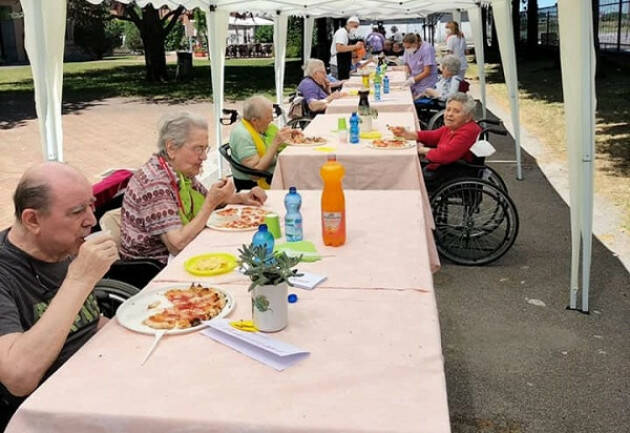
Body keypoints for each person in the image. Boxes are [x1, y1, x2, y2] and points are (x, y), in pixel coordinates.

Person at [0, 162, 119, 428]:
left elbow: (88, 321)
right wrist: (80, 278)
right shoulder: (6, 273)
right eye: (77, 211)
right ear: (32, 220)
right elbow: (19, 378)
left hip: (103, 377)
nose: (92, 219)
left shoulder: (61, 247)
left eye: (90, 204)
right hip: (48, 414)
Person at [120, 112, 268, 264]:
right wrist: (211, 202)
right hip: (154, 269)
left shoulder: (179, 171)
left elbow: (207, 200)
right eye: (198, 149)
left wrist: (242, 198)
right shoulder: (155, 183)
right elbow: (177, 244)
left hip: (184, 253)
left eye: (205, 149)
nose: (204, 156)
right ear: (171, 148)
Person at [390, 93, 481, 185]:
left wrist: (424, 150)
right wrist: (407, 134)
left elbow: (445, 155)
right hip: (445, 167)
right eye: (448, 109)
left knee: (403, 172)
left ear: (468, 117)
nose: (449, 114)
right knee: (402, 166)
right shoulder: (453, 126)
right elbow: (432, 136)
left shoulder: (468, 131)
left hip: (453, 172)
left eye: (456, 111)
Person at [229, 96, 294, 190]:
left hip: (274, 172)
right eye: (269, 117)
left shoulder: (261, 128)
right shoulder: (242, 135)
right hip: (254, 185)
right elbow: (255, 173)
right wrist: (275, 143)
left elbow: (278, 141)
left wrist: (291, 135)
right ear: (254, 120)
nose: (272, 119)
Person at [402, 33, 439, 100]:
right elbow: (406, 63)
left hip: (426, 82)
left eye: (408, 47)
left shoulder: (427, 49)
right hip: (415, 81)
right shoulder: (408, 48)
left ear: (415, 43)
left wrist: (413, 80)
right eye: (405, 47)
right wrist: (407, 75)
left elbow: (427, 72)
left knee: (417, 100)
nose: (406, 49)